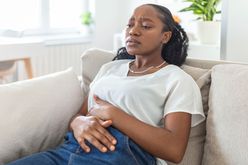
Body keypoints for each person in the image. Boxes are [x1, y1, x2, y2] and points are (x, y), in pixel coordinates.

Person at [7, 3, 205, 165]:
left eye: (145, 26)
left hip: (122, 155)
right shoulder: (110, 69)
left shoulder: (176, 79)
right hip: (69, 150)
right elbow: (81, 113)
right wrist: (78, 122)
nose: (133, 31)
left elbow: (174, 150)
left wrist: (113, 114)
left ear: (165, 36)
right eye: (130, 25)